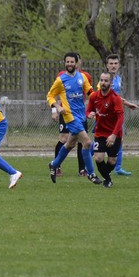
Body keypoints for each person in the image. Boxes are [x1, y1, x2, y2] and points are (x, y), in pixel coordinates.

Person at [46, 52, 102, 185]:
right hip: (69, 116)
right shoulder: (60, 80)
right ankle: (91, 174)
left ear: (77, 63)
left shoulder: (82, 77)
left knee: (70, 144)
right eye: (67, 62)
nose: (69, 64)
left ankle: (54, 164)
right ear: (65, 63)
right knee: (87, 142)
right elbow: (50, 96)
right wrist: (57, 107)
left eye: (72, 62)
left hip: (81, 115)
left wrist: (98, 102)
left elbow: (90, 93)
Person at [103, 53, 139, 176]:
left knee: (120, 140)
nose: (113, 66)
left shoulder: (118, 78)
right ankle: (86, 159)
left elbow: (117, 97)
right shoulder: (105, 80)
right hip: (106, 116)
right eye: (111, 64)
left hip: (117, 115)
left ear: (119, 65)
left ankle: (118, 168)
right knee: (101, 141)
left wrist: (124, 104)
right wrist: (128, 103)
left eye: (115, 63)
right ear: (107, 65)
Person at [87, 72, 124, 188]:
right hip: (100, 133)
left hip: (114, 133)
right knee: (98, 158)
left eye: (106, 81)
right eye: (101, 80)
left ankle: (106, 177)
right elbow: (88, 110)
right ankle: (108, 179)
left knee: (112, 161)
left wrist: (114, 135)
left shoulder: (115, 98)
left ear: (111, 83)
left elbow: (120, 118)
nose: (103, 83)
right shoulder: (94, 97)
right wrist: (89, 114)